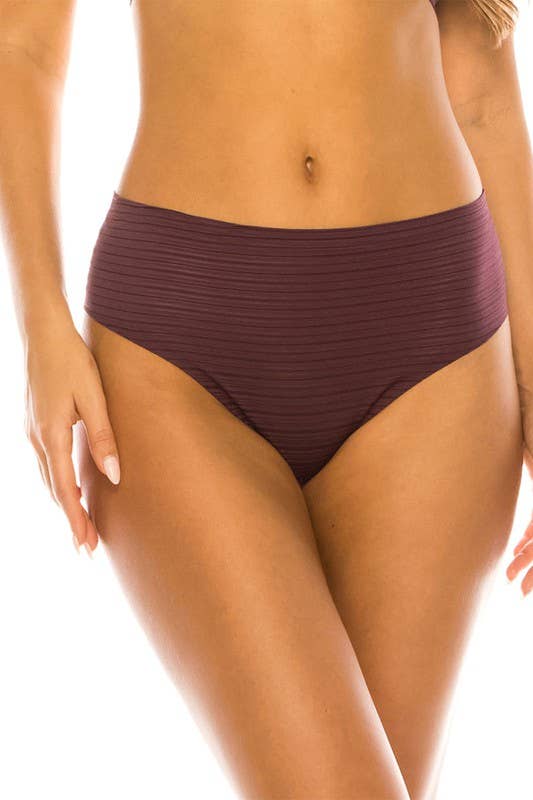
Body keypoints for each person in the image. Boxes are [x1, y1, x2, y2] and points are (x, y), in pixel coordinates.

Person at [1, 1, 532, 798]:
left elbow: (482, 80)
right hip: (176, 351)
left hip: (434, 358)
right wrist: (40, 321)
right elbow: (22, 47)